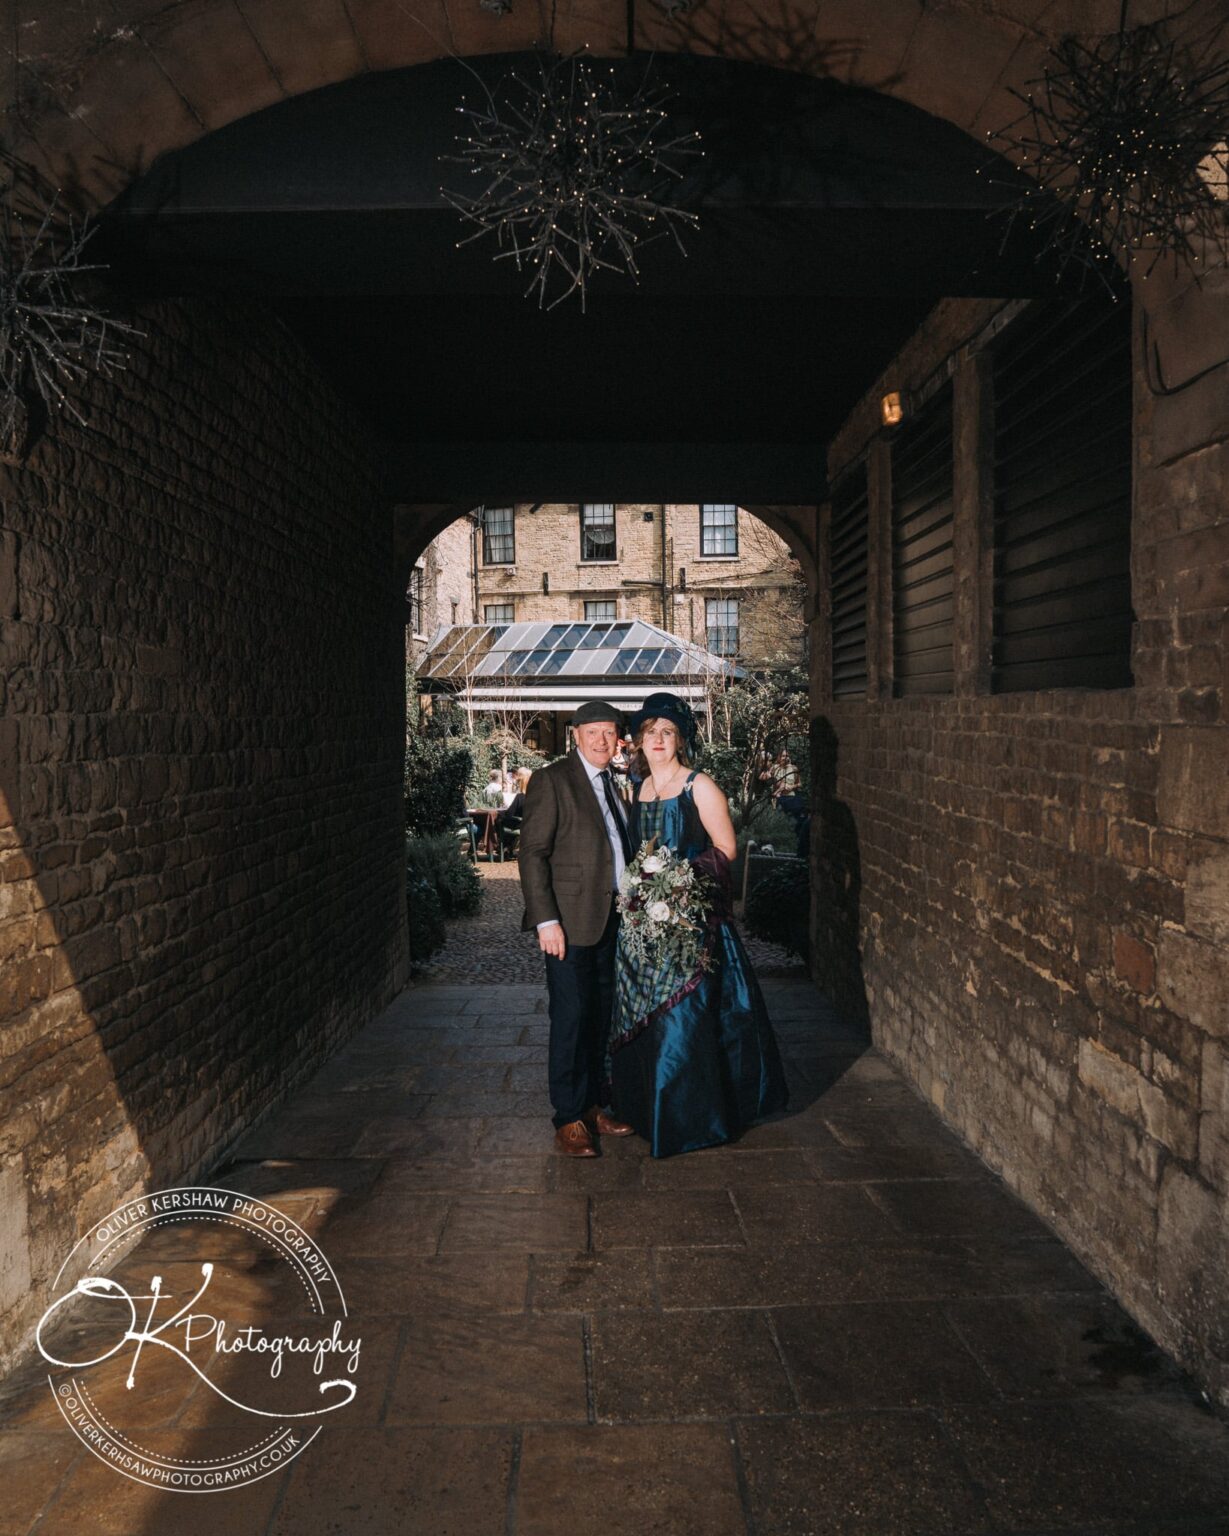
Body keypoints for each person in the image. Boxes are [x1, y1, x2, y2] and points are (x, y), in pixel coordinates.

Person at [607, 691, 789, 1157]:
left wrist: (680, 880)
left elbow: (726, 848)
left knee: (683, 1022)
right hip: (644, 924)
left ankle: (690, 1119)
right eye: (651, 733)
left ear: (680, 740)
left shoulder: (699, 786)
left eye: (667, 732)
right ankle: (648, 1110)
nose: (659, 740)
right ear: (640, 742)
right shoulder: (638, 789)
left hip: (691, 920)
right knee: (645, 1017)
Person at [517, 703, 637, 1157]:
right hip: (566, 924)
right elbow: (532, 854)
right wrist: (546, 920)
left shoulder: (613, 783)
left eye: (610, 733)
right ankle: (567, 1118)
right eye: (594, 732)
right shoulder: (553, 780)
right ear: (576, 736)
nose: (603, 741)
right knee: (570, 1019)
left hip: (610, 920)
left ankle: (591, 1108)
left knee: (598, 1019)